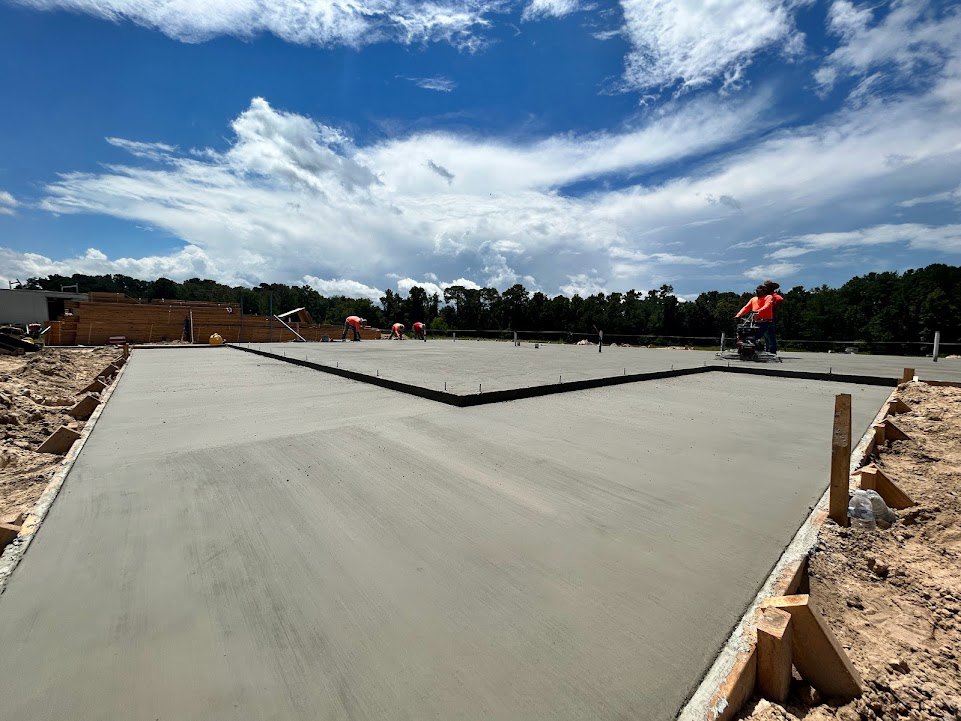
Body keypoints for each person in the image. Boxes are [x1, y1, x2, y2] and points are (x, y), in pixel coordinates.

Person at [735, 286, 776, 354]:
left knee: (770, 339)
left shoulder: (768, 297)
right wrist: (738, 315)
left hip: (767, 322)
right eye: (756, 291)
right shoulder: (753, 299)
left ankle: (772, 354)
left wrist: (758, 311)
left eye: (759, 291)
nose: (757, 292)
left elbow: (767, 306)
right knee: (752, 336)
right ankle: (753, 350)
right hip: (757, 321)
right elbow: (746, 307)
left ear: (764, 291)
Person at [761, 280, 783, 354]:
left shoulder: (773, 295)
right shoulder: (766, 296)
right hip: (764, 318)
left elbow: (780, 299)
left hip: (770, 318)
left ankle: (772, 352)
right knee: (766, 335)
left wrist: (773, 306)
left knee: (770, 335)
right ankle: (768, 351)